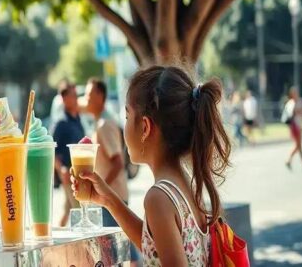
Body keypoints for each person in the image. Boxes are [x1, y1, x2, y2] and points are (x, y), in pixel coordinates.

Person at [72, 65, 231, 265]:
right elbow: (156, 246)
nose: (125, 124)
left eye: (128, 116)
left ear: (145, 127)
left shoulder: (158, 198)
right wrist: (108, 200)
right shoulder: (182, 185)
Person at [83, 78, 129, 225]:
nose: (86, 99)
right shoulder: (98, 123)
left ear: (100, 96)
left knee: (119, 246)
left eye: (89, 94)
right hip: (108, 198)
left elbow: (118, 162)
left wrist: (101, 189)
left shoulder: (105, 125)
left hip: (112, 198)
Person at [51, 79, 85, 227]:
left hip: (80, 174)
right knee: (79, 212)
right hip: (69, 176)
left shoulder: (77, 117)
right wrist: (62, 170)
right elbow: (51, 150)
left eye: (76, 95)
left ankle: (57, 236)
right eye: (73, 95)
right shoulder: (61, 122)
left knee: (67, 211)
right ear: (64, 99)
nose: (76, 98)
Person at [282, 87, 302, 171]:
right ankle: (289, 160)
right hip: (294, 126)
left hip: (299, 124)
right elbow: (290, 115)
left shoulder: (300, 101)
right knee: (298, 145)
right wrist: (297, 111)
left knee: (299, 146)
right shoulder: (290, 103)